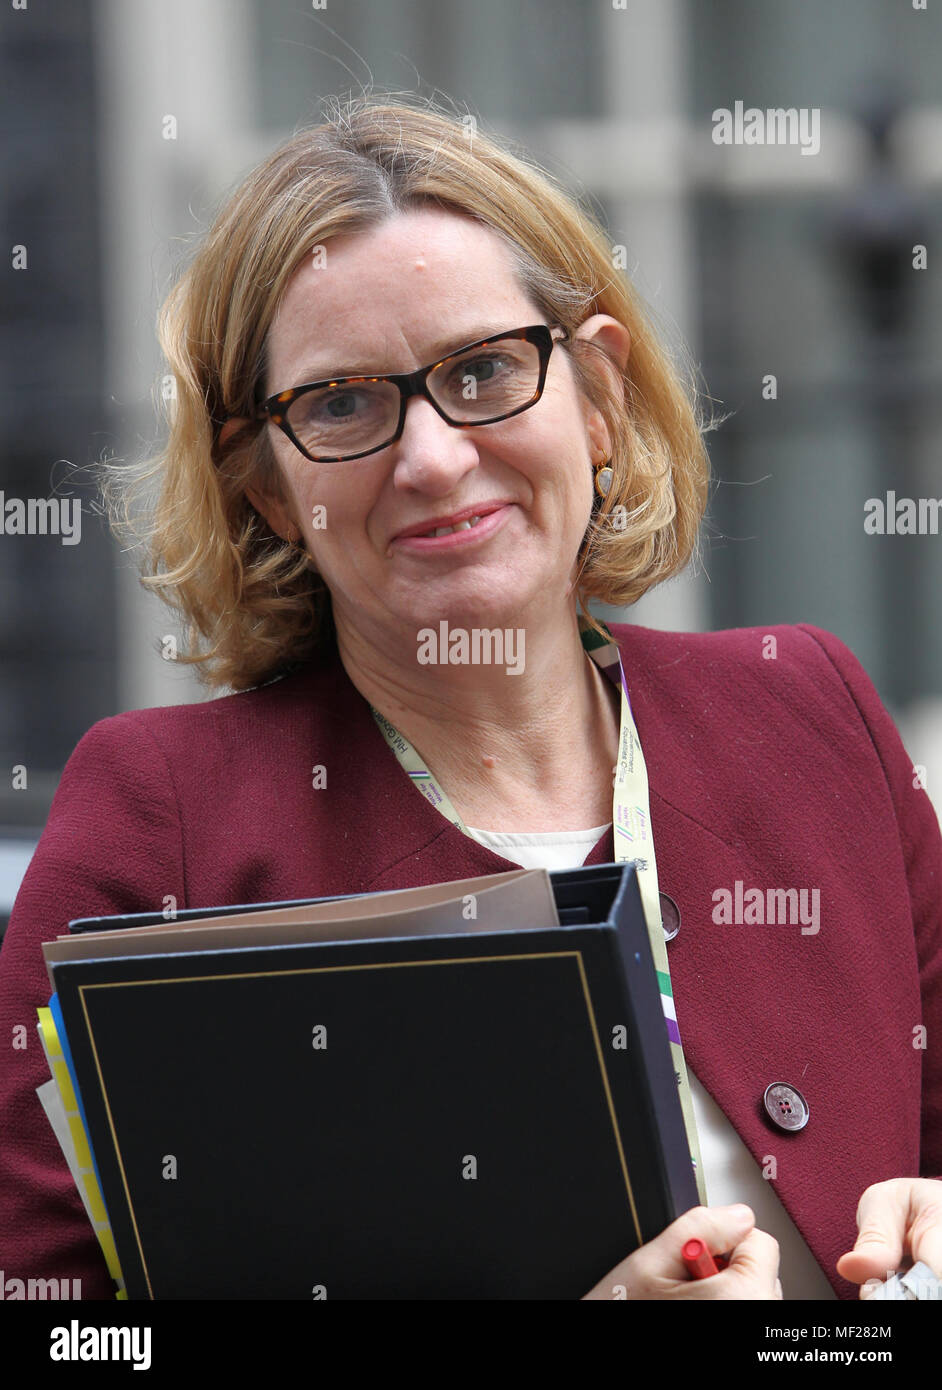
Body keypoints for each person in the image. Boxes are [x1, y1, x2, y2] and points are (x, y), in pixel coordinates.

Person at [0, 94, 939, 1302]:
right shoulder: (160, 816)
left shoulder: (812, 714)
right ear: (269, 486)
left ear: (596, 395)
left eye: (485, 369)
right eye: (341, 402)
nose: (434, 456)